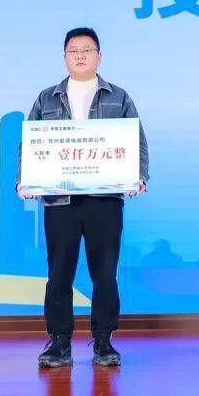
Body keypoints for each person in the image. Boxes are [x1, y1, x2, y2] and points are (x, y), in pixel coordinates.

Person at [18, 27, 149, 368]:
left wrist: (138, 176)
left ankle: (104, 341)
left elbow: (136, 140)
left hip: (103, 200)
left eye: (87, 49)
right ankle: (59, 341)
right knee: (59, 273)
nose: (80, 55)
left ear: (99, 56)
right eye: (73, 50)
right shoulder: (47, 98)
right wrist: (24, 180)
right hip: (60, 201)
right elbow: (29, 143)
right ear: (64, 57)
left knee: (104, 273)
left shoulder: (118, 97)